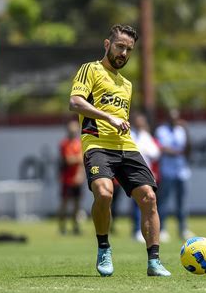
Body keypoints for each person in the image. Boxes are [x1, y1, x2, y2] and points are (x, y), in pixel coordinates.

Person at [69, 24, 170, 277]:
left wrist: (119, 123)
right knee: (104, 193)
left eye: (129, 49)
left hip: (125, 146)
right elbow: (75, 102)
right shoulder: (90, 70)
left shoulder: (127, 84)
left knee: (149, 196)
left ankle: (154, 261)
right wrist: (109, 118)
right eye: (120, 46)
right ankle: (104, 248)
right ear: (107, 44)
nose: (124, 53)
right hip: (97, 143)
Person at [155, 108, 194, 241]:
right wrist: (177, 152)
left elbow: (188, 147)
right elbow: (162, 147)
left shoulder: (182, 130)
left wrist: (187, 129)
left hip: (182, 171)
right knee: (164, 201)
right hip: (167, 170)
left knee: (182, 202)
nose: (173, 120)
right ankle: (162, 229)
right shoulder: (162, 130)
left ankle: (183, 229)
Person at [130, 112, 161, 243]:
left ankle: (148, 231)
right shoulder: (129, 134)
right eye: (138, 121)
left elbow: (156, 153)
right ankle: (136, 230)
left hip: (145, 173)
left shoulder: (145, 136)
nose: (139, 124)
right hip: (131, 172)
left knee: (148, 202)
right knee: (136, 203)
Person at [58, 120, 85, 235]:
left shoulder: (80, 143)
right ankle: (62, 227)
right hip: (67, 179)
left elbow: (82, 161)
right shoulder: (64, 144)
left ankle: (75, 227)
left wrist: (81, 174)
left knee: (77, 205)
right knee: (64, 204)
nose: (73, 131)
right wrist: (78, 158)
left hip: (77, 179)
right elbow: (68, 160)